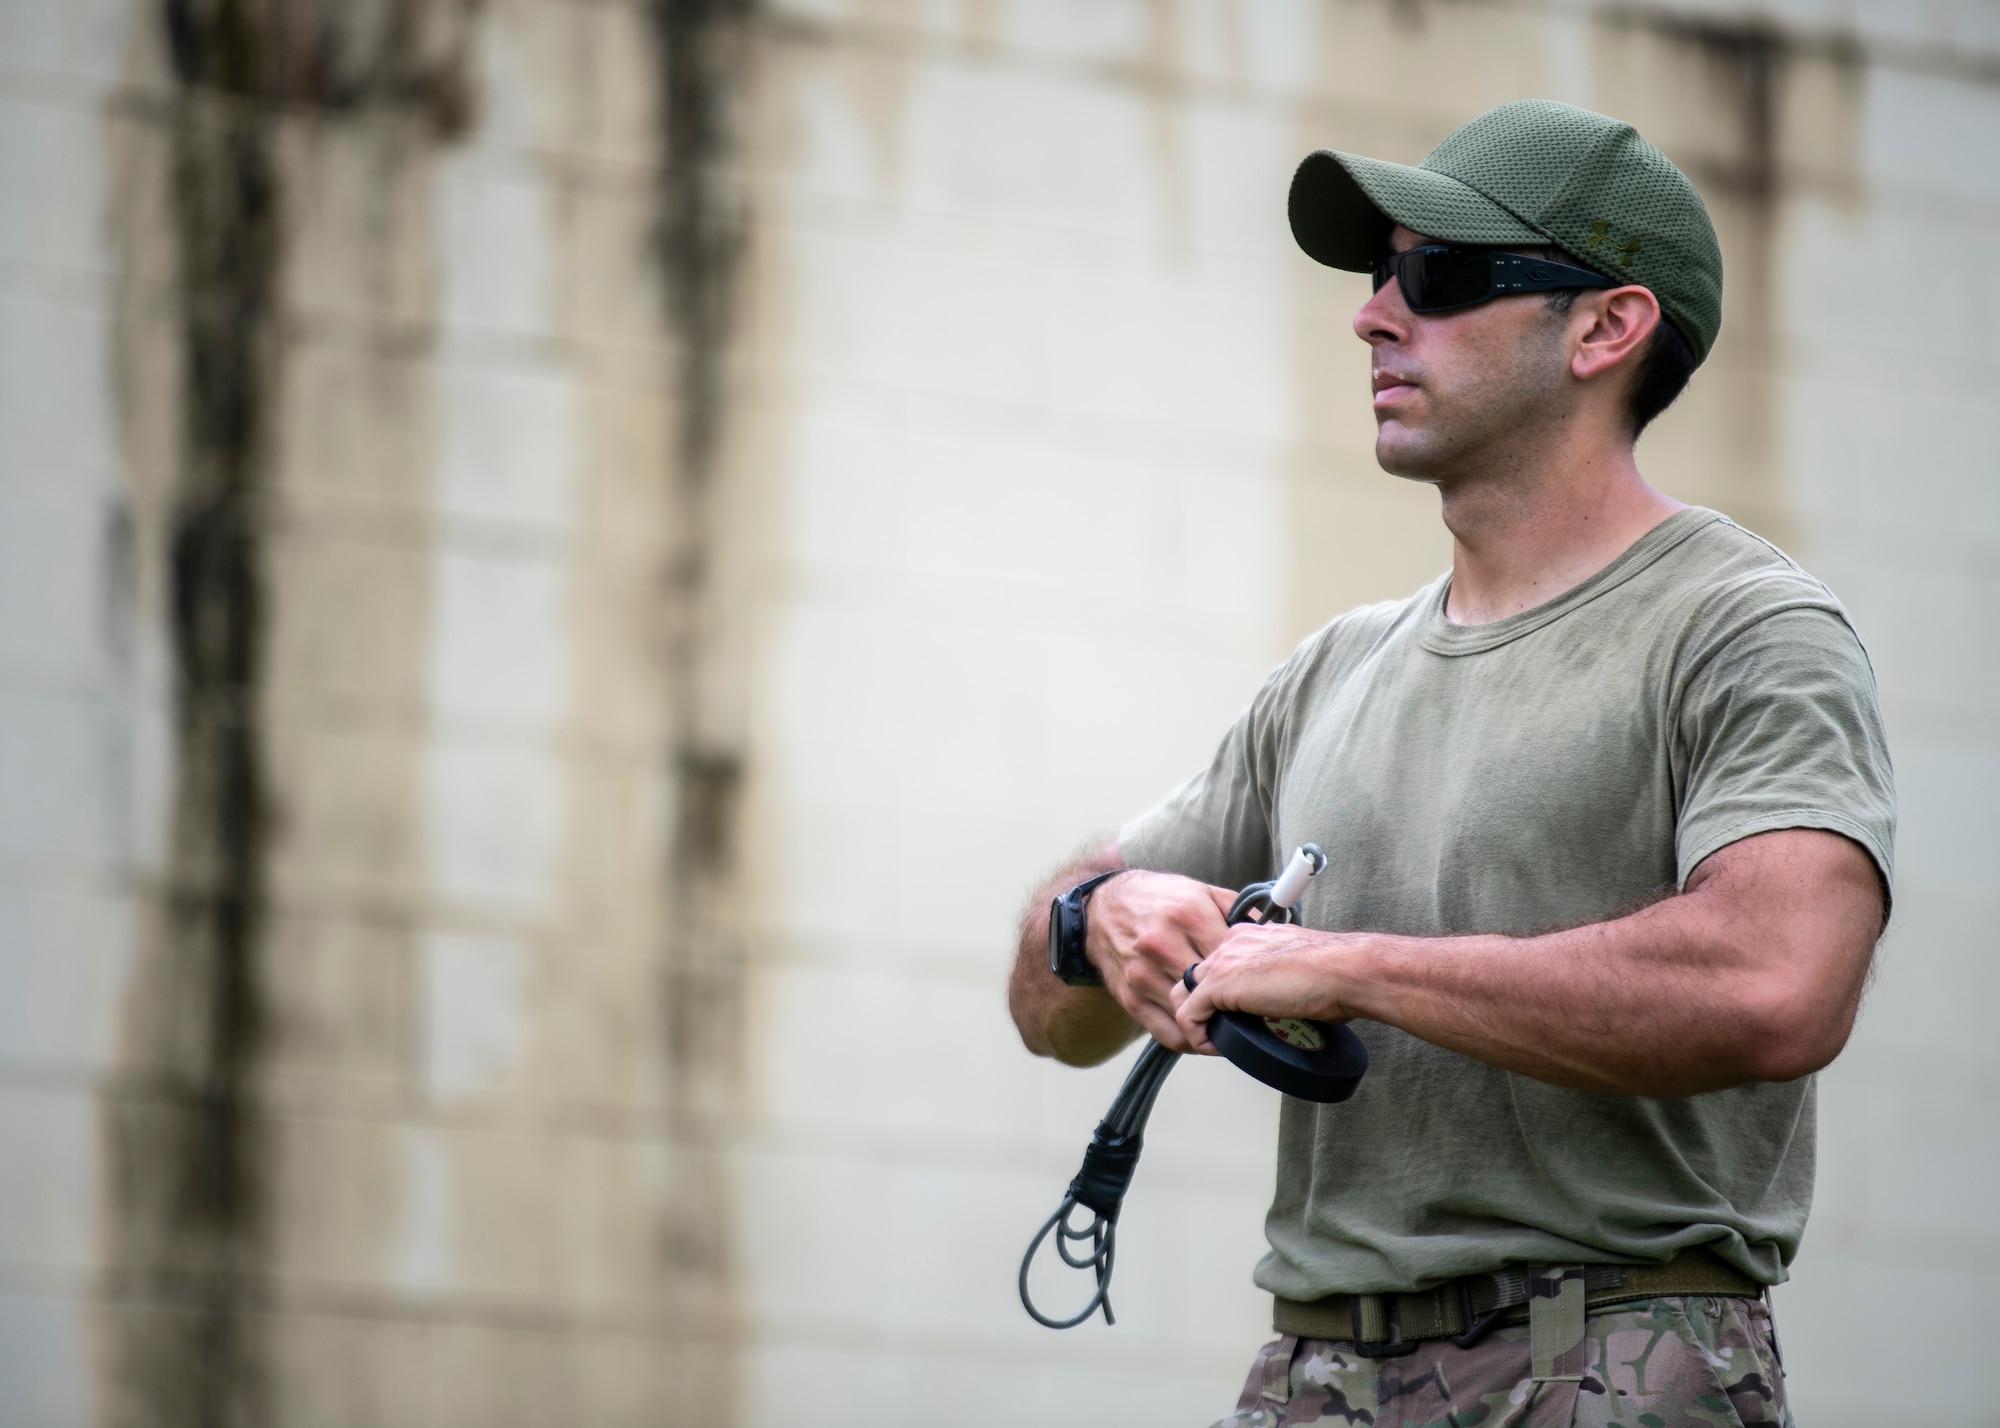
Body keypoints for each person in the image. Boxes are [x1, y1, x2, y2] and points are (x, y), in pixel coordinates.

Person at [1006, 101, 1894, 1428]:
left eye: (1441, 276)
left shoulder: (1747, 631)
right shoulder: (1330, 671)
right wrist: (1099, 919)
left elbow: (1779, 988)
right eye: (1377, 277)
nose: (1374, 315)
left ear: (1607, 328)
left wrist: (1355, 966)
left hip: (1608, 1356)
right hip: (1310, 1369)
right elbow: (1047, 1013)